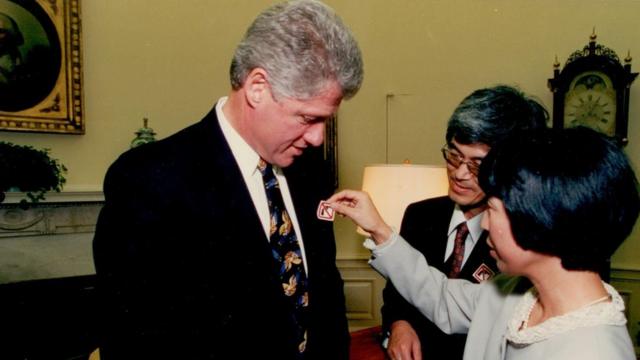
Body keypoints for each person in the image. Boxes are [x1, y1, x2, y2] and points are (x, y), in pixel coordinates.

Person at [92, 1, 363, 359]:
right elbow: (135, 339)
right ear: (257, 88)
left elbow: (326, 297)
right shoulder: (148, 180)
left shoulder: (310, 170)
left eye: (324, 121)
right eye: (307, 118)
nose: (317, 138)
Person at [328, 127, 639, 359]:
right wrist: (380, 229)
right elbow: (439, 296)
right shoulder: (513, 294)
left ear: (541, 221)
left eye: (493, 209)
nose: (485, 223)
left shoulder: (595, 351)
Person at [381, 85, 548, 360]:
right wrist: (399, 325)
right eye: (455, 155)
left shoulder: (519, 242)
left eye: (477, 165)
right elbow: (400, 288)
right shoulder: (419, 214)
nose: (459, 173)